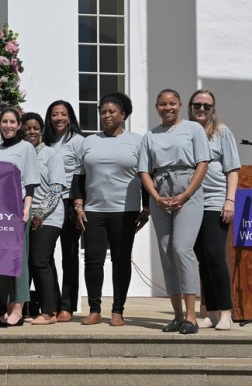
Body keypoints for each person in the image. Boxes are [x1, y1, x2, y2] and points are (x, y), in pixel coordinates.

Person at [138, 88, 211, 335]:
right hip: (160, 191)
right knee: (167, 252)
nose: (167, 107)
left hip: (187, 187)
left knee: (182, 249)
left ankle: (191, 316)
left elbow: (203, 163)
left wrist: (186, 194)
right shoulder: (150, 135)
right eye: (162, 104)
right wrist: (156, 197)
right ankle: (178, 316)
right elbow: (144, 171)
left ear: (180, 105)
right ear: (156, 107)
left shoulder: (193, 129)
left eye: (172, 103)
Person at [72, 93, 149, 326]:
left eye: (111, 111)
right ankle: (94, 310)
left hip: (125, 211)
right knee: (93, 261)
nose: (106, 115)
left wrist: (147, 207)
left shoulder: (137, 142)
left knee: (121, 260)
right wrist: (78, 205)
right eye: (103, 112)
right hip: (94, 211)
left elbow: (146, 176)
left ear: (123, 115)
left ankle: (118, 311)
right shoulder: (89, 142)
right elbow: (78, 177)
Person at [188, 89, 240, 331]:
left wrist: (230, 201)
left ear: (213, 109)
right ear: (190, 107)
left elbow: (232, 169)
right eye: (197, 105)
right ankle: (210, 313)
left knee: (215, 256)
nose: (201, 109)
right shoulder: (185, 132)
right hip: (191, 203)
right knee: (202, 259)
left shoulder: (221, 132)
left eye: (206, 106)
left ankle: (226, 312)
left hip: (215, 201)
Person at [0, 107, 40, 327]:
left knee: (18, 260)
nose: (8, 126)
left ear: (18, 125)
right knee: (0, 260)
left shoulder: (26, 147)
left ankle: (19, 309)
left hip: (17, 208)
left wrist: (26, 207)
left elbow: (31, 180)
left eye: (12, 122)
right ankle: (8, 309)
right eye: (4, 121)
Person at [20, 112, 66, 325]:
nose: (31, 131)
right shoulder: (21, 153)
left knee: (40, 260)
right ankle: (29, 309)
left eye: (35, 128)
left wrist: (40, 213)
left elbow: (56, 188)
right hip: (26, 215)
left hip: (48, 216)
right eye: (27, 128)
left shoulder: (51, 155)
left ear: (41, 131)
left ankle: (49, 312)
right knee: (29, 263)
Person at [43, 100, 84, 322]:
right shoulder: (45, 141)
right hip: (47, 203)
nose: (59, 118)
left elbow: (81, 175)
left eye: (63, 114)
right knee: (45, 256)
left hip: (68, 202)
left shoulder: (78, 141)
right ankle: (52, 303)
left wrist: (78, 205)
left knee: (69, 256)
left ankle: (67, 306)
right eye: (54, 114)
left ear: (70, 118)